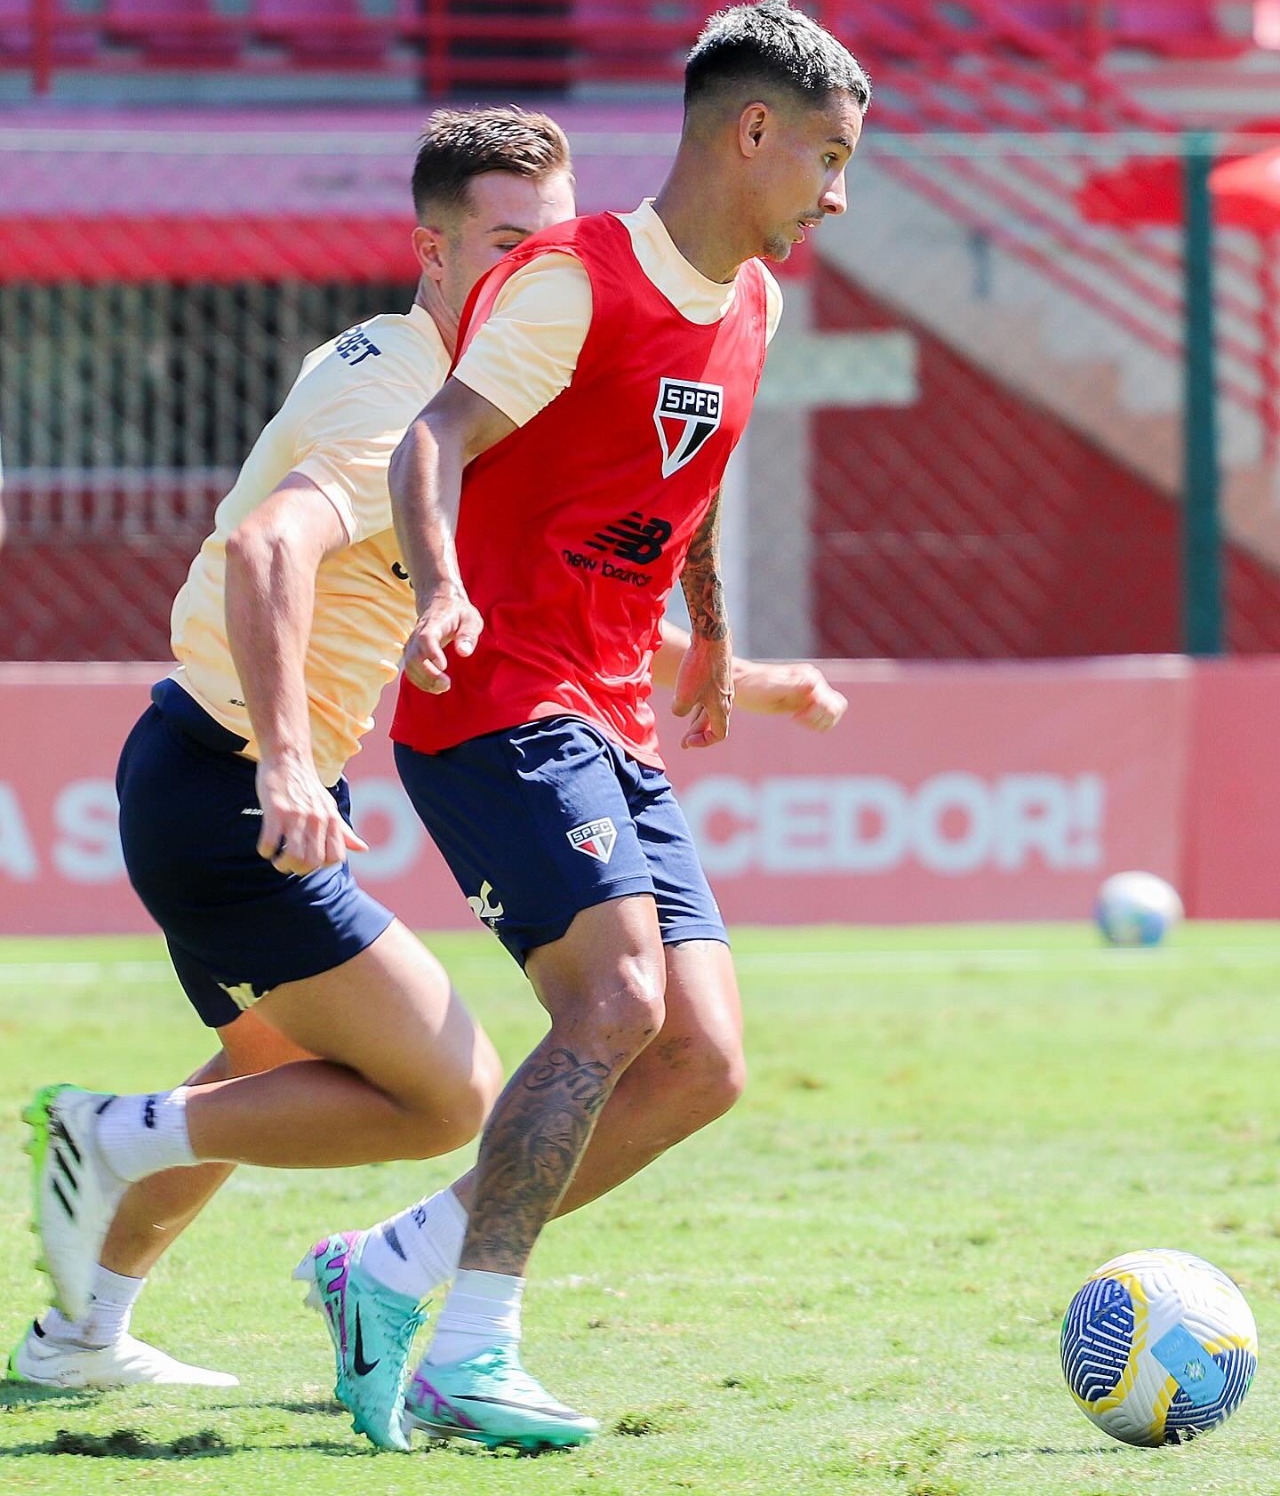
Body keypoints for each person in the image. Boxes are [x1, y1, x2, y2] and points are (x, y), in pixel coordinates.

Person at [15, 103, 848, 1433]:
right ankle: (116, 1145)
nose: (536, 263)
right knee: (446, 1090)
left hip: (229, 776)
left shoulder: (508, 369)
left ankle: (78, 1330)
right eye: (505, 240)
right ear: (432, 252)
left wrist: (738, 677)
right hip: (230, 781)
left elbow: (575, 597)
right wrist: (288, 763)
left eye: (555, 237)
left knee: (266, 1078)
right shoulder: (401, 391)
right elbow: (270, 551)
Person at [313, 0, 870, 1452]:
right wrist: (436, 592)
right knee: (615, 1009)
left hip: (611, 713)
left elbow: (672, 476)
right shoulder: (571, 282)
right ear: (751, 133)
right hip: (493, 698)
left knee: (704, 1064)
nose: (837, 192)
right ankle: (468, 1357)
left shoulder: (756, 305)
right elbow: (435, 436)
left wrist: (723, 639)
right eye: (826, 155)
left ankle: (393, 1266)